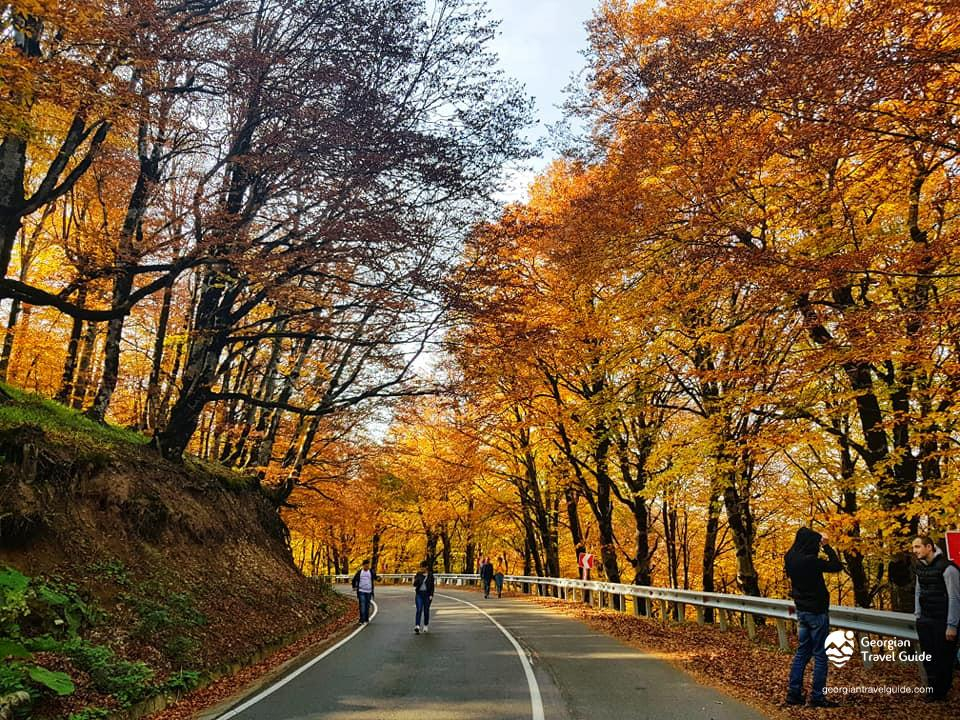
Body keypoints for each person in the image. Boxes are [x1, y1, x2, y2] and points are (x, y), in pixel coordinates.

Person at [785, 527, 843, 708]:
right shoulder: (811, 561)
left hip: (801, 610)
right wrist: (827, 546)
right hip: (817, 612)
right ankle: (817, 696)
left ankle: (794, 692)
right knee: (820, 655)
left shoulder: (790, 557)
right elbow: (836, 566)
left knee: (802, 652)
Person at [911, 535, 960, 702]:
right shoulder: (920, 567)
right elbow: (918, 592)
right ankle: (933, 692)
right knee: (928, 659)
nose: (914, 551)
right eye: (914, 547)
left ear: (929, 547)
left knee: (944, 660)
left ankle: (941, 693)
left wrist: (952, 625)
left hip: (943, 621)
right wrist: (918, 615)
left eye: (918, 547)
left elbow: (955, 598)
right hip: (925, 620)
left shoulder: (948, 568)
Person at [351, 558, 376, 625]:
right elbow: (354, 580)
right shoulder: (359, 572)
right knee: (362, 605)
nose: (367, 567)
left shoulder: (371, 572)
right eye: (366, 565)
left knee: (367, 606)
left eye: (368, 565)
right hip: (361, 591)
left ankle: (366, 619)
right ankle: (361, 620)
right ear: (363, 565)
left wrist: (378, 578)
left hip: (369, 591)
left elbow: (375, 577)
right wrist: (354, 587)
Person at [413, 560, 435, 634]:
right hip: (419, 594)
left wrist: (431, 595)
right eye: (420, 567)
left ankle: (425, 625)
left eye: (423, 567)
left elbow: (432, 586)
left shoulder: (430, 575)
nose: (421, 569)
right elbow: (414, 584)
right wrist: (417, 579)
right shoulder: (418, 574)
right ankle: (417, 626)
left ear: (426, 567)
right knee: (419, 609)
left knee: (426, 611)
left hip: (427, 595)